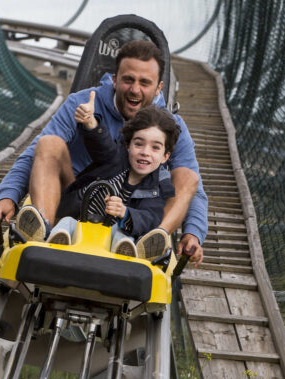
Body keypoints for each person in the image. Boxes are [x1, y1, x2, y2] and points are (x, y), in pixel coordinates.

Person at [0, 39, 206, 264]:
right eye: (128, 80)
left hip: (132, 213)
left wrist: (193, 233)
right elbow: (35, 155)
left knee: (188, 175)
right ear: (114, 79)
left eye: (144, 82)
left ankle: (151, 242)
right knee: (48, 143)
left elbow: (191, 187)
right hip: (76, 199)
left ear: (159, 87)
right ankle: (42, 228)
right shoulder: (81, 103)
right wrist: (9, 197)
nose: (135, 90)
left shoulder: (170, 126)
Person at [33, 100, 179, 260]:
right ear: (128, 145)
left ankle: (125, 252)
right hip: (80, 222)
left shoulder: (157, 187)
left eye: (155, 147)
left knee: (122, 233)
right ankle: (53, 239)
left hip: (109, 241)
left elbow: (151, 217)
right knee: (66, 222)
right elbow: (102, 145)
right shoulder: (115, 158)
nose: (145, 152)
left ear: (165, 156)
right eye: (139, 144)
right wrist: (91, 123)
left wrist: (126, 213)